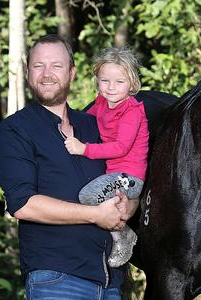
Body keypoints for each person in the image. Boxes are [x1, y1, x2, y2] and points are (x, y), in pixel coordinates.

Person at [0, 34, 138, 300]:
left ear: (71, 73)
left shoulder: (95, 127)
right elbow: (23, 204)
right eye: (38, 65)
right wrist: (95, 215)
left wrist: (129, 203)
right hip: (56, 282)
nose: (47, 73)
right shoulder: (16, 130)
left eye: (56, 65)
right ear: (27, 72)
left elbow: (126, 174)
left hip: (107, 285)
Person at [63, 47, 149, 267]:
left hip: (129, 178)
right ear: (97, 81)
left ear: (132, 83)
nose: (111, 87)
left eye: (119, 82)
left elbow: (120, 147)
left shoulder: (132, 111)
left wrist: (84, 149)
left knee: (88, 197)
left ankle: (123, 233)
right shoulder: (101, 103)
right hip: (112, 175)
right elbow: (84, 122)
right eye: (105, 81)